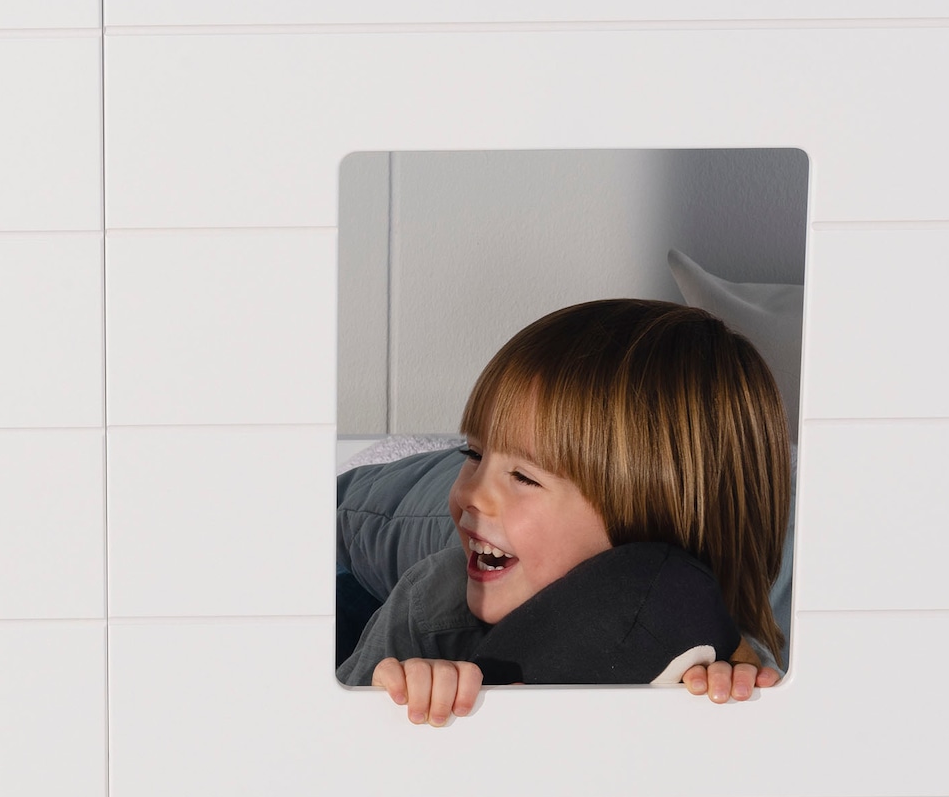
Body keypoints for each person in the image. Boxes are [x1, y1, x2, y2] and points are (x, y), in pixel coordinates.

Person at [337, 299, 791, 725]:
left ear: (652, 520)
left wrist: (730, 692)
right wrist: (396, 697)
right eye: (473, 454)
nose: (472, 493)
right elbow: (331, 741)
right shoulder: (433, 602)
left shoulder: (717, 647)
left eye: (524, 477)